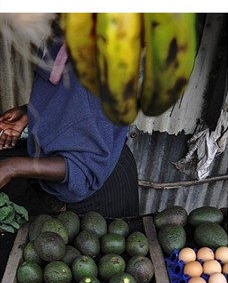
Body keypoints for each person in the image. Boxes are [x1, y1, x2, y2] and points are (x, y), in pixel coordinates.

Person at [0, 17, 139, 218]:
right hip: (89, 164)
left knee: (95, 247)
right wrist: (30, 112)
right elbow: (68, 99)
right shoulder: (60, 36)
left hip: (101, 189)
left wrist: (11, 167)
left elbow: (82, 168)